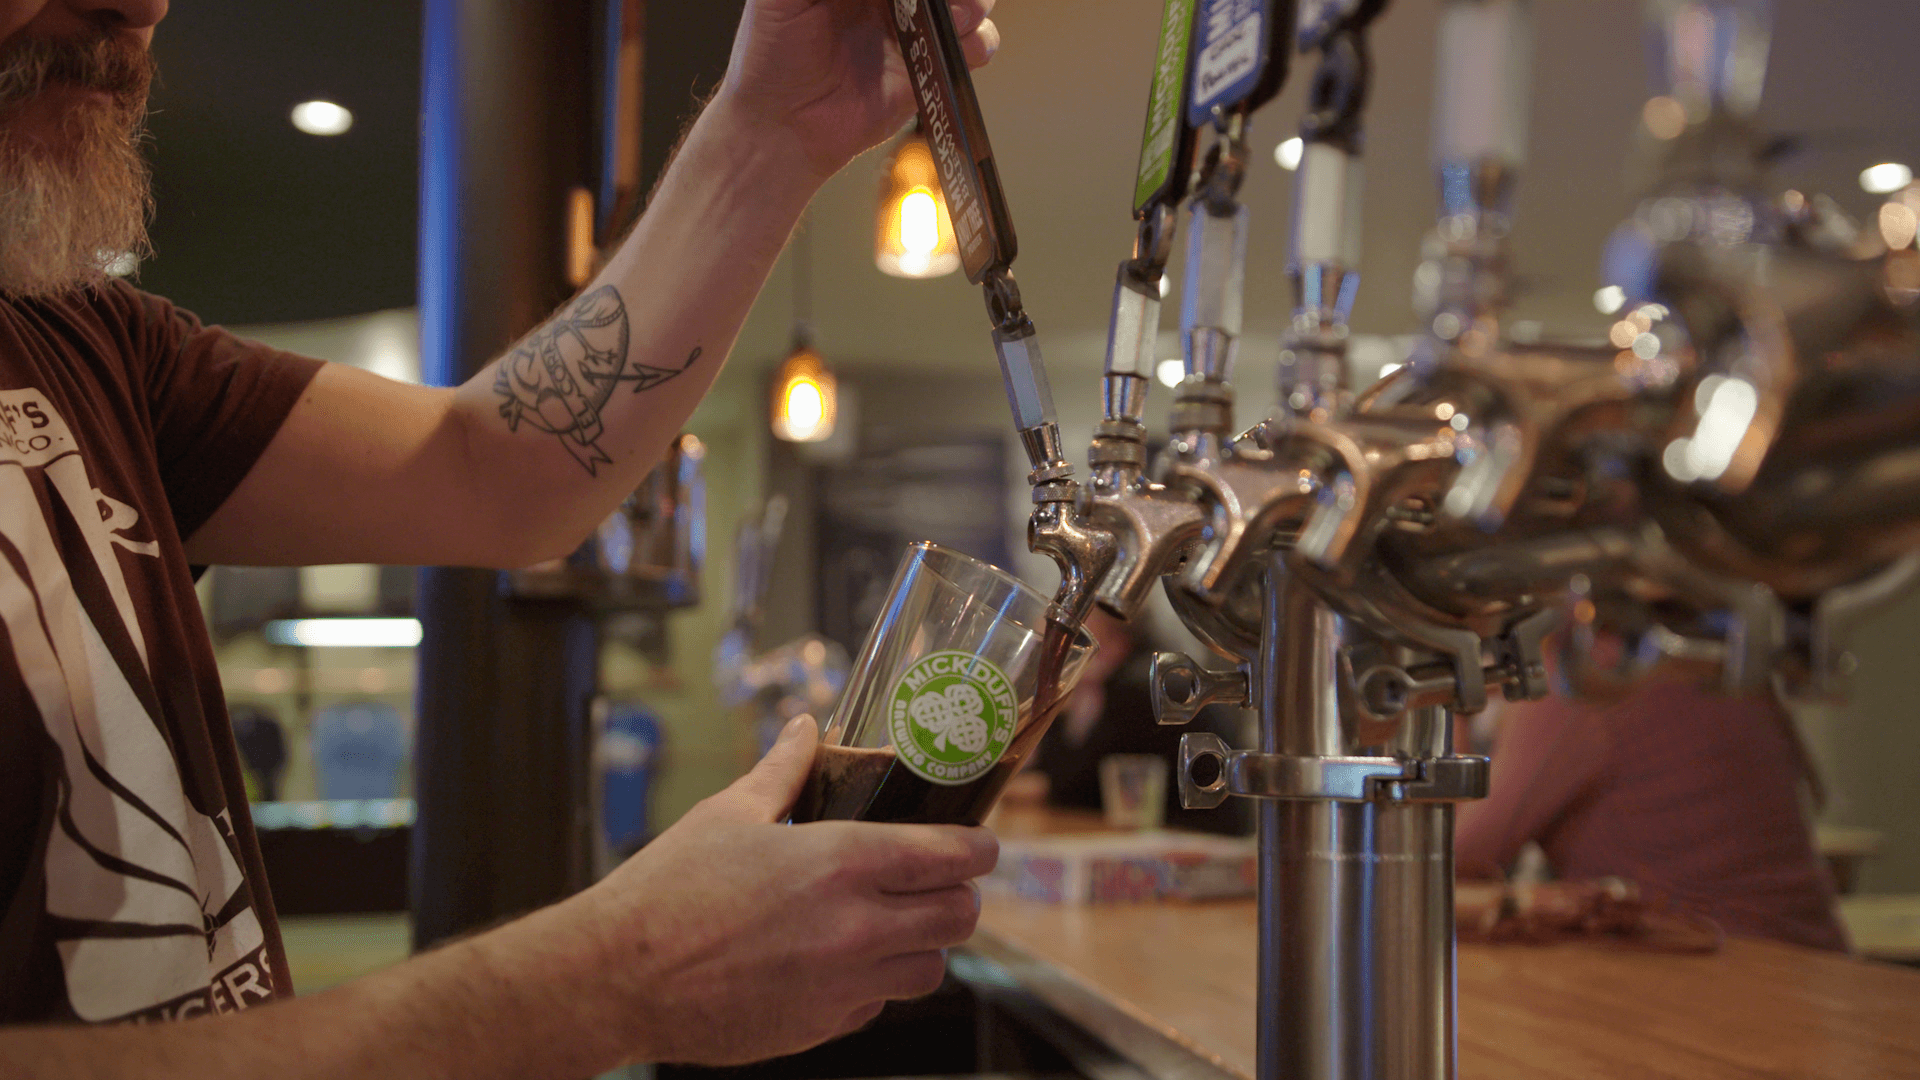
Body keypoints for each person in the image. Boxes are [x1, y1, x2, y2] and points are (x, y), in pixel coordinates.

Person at [0, 0, 1004, 1074]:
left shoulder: (72, 331)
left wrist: (772, 128)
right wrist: (619, 973)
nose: (140, 5)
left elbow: (495, 470)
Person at [1456, 672, 1848, 952]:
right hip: (1816, 960)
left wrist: (1446, 705)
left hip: (1719, 966)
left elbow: (1446, 858)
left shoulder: (1586, 675)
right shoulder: (1702, 651)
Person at [1027, 610, 1248, 836]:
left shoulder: (1142, 690)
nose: (1058, 657)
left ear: (1117, 643)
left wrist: (1063, 711)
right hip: (1177, 835)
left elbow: (1072, 788)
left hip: (1198, 839)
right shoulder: (1118, 685)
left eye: (1076, 642)